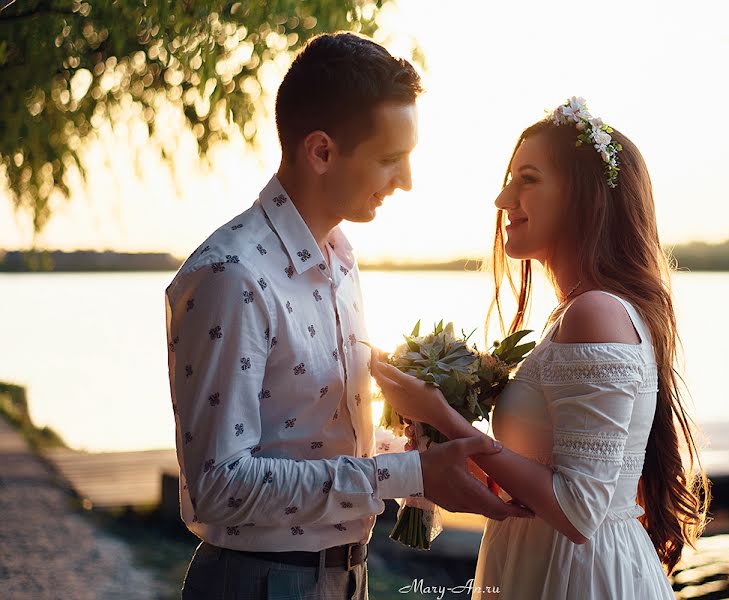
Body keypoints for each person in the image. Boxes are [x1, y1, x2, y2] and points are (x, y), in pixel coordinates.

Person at [164, 32, 532, 600]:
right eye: (390, 159)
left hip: (346, 578)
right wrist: (407, 476)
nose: (406, 180)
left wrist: (416, 456)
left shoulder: (339, 257)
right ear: (321, 152)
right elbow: (219, 485)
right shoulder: (230, 276)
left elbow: (312, 436)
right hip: (259, 584)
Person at [372, 97, 711, 599]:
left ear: (585, 197)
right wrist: (468, 469)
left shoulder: (596, 312)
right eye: (509, 179)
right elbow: (556, 474)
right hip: (542, 560)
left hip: (576, 576)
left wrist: (444, 417)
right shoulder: (577, 315)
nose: (503, 199)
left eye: (527, 179)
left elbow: (579, 509)